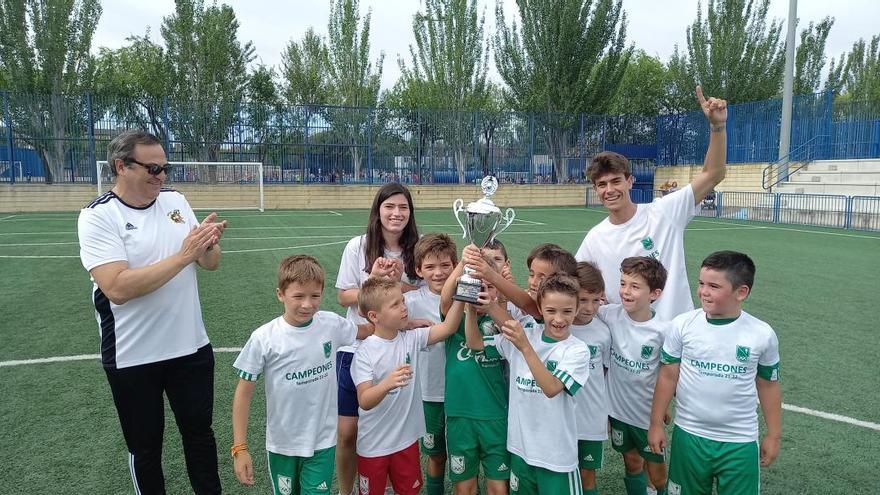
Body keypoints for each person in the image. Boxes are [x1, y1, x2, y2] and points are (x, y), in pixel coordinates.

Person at [77, 130, 226, 494]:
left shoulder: (175, 200)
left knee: (200, 436)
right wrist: (184, 255)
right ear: (121, 166)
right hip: (133, 356)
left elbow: (210, 265)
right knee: (145, 449)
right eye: (153, 167)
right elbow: (118, 287)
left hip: (190, 348)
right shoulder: (98, 216)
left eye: (165, 167)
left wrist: (207, 245)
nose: (162, 175)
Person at [575, 86, 728, 321]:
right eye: (602, 184)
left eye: (616, 181)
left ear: (630, 181)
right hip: (629, 345)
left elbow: (713, 174)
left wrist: (717, 127)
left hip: (675, 335)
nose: (610, 190)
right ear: (595, 189)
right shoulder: (595, 238)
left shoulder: (664, 211)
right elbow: (575, 282)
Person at [230, 255, 375, 492]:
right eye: (298, 296)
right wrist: (240, 447)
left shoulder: (331, 325)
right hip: (282, 445)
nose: (307, 304)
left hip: (322, 441)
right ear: (280, 294)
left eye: (315, 296)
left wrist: (403, 324)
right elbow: (243, 395)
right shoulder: (264, 338)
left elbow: (366, 330)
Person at [648, 251, 781, 495]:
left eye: (713, 286)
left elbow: (768, 385)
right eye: (701, 283)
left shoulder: (761, 334)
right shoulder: (683, 325)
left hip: (739, 441)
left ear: (741, 292)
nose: (703, 291)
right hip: (689, 436)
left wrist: (774, 435)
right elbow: (668, 376)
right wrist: (655, 423)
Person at [466, 274, 590, 495]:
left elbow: (551, 388)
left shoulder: (577, 350)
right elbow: (474, 343)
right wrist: (471, 310)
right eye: (551, 311)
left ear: (577, 309)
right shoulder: (527, 335)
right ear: (540, 308)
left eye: (567, 311)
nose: (559, 319)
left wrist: (524, 347)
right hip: (521, 450)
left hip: (556, 458)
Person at [335, 183, 421, 495]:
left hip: (397, 349)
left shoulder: (417, 248)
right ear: (378, 210)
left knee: (396, 431)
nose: (396, 213)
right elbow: (344, 296)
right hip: (356, 349)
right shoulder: (358, 246)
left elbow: (428, 293)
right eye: (390, 207)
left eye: (403, 207)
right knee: (347, 432)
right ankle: (347, 491)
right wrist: (372, 280)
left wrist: (400, 283)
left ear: (410, 212)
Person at [353, 278, 465, 495]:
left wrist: (462, 293)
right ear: (374, 316)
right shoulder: (365, 352)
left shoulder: (411, 339)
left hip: (406, 441)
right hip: (373, 445)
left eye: (402, 301)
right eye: (395, 305)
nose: (404, 307)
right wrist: (387, 384)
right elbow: (364, 400)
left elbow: (449, 327)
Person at [598, 257, 671, 495]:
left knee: (658, 475)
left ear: (655, 293)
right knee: (631, 461)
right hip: (618, 411)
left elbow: (669, 374)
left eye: (635, 286)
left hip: (646, 415)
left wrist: (663, 411)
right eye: (623, 283)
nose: (625, 292)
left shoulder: (663, 330)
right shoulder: (608, 314)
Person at [440, 255, 511, 495]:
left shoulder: (501, 320)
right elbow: (444, 301)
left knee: (498, 488)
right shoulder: (453, 317)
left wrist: (500, 297)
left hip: (495, 415)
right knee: (464, 488)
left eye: (489, 286)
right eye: (476, 285)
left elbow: (507, 314)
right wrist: (462, 267)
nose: (482, 291)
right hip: (461, 415)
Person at [405, 233, 458, 495]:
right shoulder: (411, 302)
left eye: (445, 265)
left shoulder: (467, 296)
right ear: (418, 270)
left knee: (465, 457)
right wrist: (408, 323)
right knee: (436, 456)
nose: (438, 273)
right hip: (429, 394)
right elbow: (384, 320)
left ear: (455, 265)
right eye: (430, 266)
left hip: (464, 395)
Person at [570, 262, 613, 495]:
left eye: (596, 300)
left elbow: (603, 373)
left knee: (587, 476)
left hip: (592, 417)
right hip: (562, 418)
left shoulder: (603, 332)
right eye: (583, 299)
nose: (589, 307)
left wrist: (605, 412)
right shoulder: (559, 327)